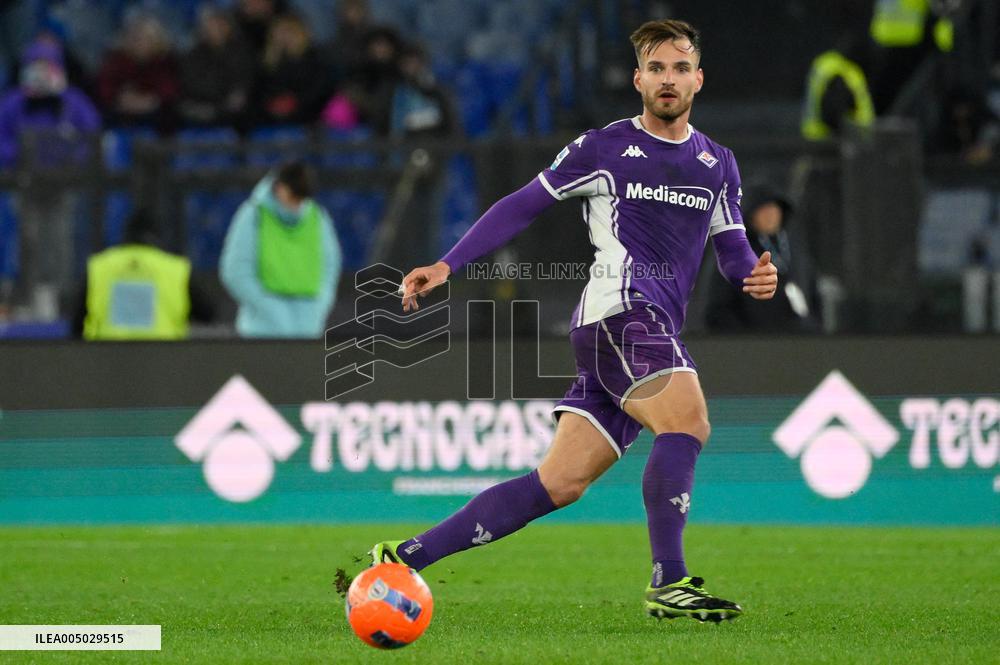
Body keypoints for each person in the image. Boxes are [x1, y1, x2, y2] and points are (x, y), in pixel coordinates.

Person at [372, 20, 778, 623]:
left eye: (680, 68)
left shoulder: (718, 163)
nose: (668, 79)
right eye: (656, 69)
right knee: (687, 419)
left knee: (558, 483)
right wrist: (447, 264)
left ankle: (403, 556)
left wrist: (755, 273)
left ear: (698, 79)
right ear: (638, 79)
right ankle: (669, 580)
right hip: (622, 315)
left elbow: (733, 249)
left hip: (642, 330)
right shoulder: (603, 148)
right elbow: (522, 204)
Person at [0, 38, 100, 319]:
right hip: (24, 183)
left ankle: (59, 298)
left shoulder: (73, 102)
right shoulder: (14, 102)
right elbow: (2, 137)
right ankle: (28, 296)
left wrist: (68, 159)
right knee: (26, 239)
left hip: (61, 184)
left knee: (59, 240)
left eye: (47, 64)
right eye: (36, 64)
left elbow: (91, 136)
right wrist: (19, 156)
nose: (41, 71)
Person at [219, 161, 341, 338]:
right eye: (293, 198)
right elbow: (235, 271)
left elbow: (330, 267)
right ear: (280, 188)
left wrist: (317, 307)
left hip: (308, 332)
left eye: (302, 200)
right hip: (260, 334)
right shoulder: (253, 216)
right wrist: (268, 310)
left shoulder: (318, 217)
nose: (297, 206)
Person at [73, 209, 214, 340]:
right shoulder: (176, 269)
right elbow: (207, 313)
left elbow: (76, 321)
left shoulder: (99, 267)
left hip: (106, 354)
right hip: (166, 353)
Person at [706, 186, 819, 332]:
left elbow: (814, 293)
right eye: (763, 210)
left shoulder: (795, 249)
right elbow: (717, 310)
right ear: (751, 216)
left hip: (803, 340)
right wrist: (746, 339)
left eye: (774, 208)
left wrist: (816, 329)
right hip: (756, 341)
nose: (770, 215)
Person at [96, 13, 179, 133]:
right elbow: (105, 88)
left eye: (147, 39)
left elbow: (169, 89)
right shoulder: (115, 60)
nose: (140, 43)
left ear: (157, 41)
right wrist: (120, 98)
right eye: (136, 38)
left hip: (154, 109)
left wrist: (151, 100)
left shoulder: (165, 61)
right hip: (122, 109)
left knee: (170, 116)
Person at [178, 5, 254, 129]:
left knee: (241, 107)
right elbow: (190, 82)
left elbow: (243, 80)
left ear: (228, 27)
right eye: (210, 26)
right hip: (201, 102)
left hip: (227, 105)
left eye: (219, 25)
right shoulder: (194, 54)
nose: (215, 30)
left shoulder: (241, 51)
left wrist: (231, 97)